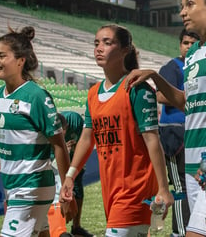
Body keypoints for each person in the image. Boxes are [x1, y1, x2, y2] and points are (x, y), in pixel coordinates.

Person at [125, 0, 206, 237]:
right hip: (194, 161)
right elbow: (186, 103)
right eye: (181, 6)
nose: (183, 12)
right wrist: (156, 78)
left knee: (197, 233)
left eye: (190, 4)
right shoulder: (193, 55)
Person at [0, 26, 72, 237]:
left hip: (31, 187)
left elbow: (59, 144)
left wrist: (66, 186)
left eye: (1, 56)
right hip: (13, 186)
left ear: (21, 60)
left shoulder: (36, 96)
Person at [60, 24, 174, 237]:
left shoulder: (137, 89)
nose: (99, 48)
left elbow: (152, 141)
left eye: (107, 42)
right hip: (111, 191)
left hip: (135, 190)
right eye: (96, 43)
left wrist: (163, 188)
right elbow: (87, 138)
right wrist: (70, 175)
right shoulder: (93, 93)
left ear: (124, 50)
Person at [157, 28, 199, 237]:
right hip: (175, 133)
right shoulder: (173, 67)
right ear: (180, 45)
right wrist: (188, 97)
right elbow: (160, 95)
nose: (189, 47)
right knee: (181, 185)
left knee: (196, 183)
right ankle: (180, 232)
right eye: (185, 43)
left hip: (195, 132)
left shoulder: (200, 67)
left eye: (193, 43)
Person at [48, 111, 93, 237]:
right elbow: (51, 162)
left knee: (77, 184)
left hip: (73, 156)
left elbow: (84, 141)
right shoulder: (48, 134)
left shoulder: (75, 120)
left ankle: (76, 226)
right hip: (54, 170)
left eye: (64, 131)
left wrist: (73, 152)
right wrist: (62, 153)